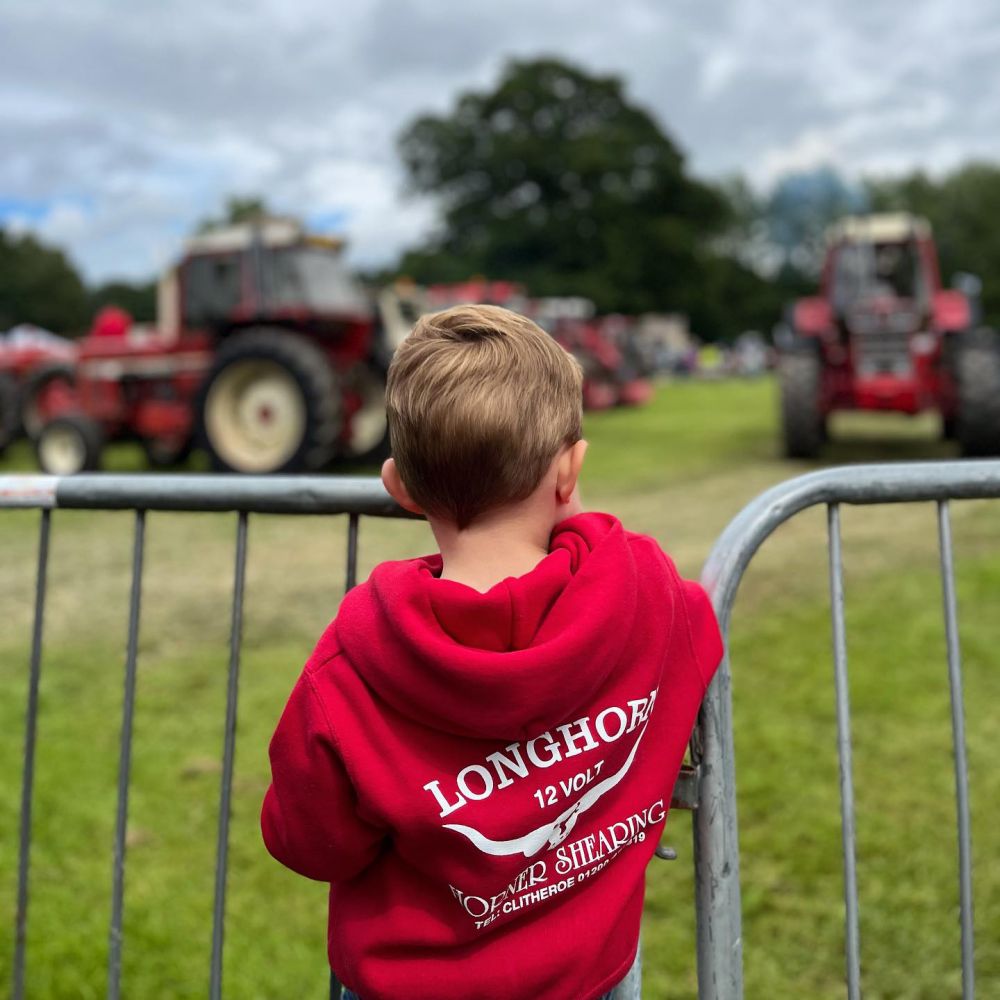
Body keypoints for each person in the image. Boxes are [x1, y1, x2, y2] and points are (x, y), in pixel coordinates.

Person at [261, 305, 723, 1000]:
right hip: (587, 982)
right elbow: (696, 628)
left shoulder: (352, 667)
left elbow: (309, 842)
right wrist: (570, 507)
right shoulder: (648, 601)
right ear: (571, 473)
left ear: (400, 489)